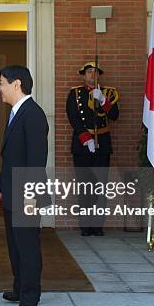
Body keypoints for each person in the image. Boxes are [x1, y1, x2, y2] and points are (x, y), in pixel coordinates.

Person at [0, 65, 49, 306]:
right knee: (15, 246)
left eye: (2, 83)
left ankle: (30, 298)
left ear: (17, 84)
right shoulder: (16, 113)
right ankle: (19, 287)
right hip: (13, 191)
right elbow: (12, 158)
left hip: (27, 194)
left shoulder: (33, 115)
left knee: (27, 247)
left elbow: (36, 160)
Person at [66, 62, 119, 236]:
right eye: (89, 71)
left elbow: (115, 116)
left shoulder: (107, 93)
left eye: (95, 72)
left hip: (102, 144)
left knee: (100, 187)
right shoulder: (74, 94)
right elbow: (73, 118)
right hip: (82, 145)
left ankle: (97, 225)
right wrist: (86, 139)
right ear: (83, 75)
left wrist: (103, 101)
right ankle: (85, 226)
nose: (92, 75)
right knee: (84, 186)